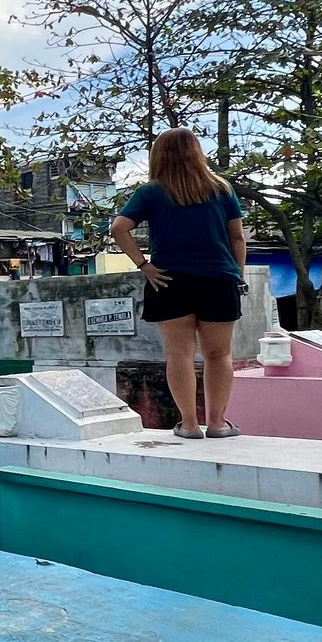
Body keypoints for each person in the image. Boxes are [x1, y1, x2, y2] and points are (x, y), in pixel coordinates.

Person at [109, 129, 248, 439]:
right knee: (219, 354)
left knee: (179, 354)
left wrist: (144, 265)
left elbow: (119, 228)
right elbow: (237, 237)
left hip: (169, 281)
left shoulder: (151, 192)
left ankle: (187, 424)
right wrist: (237, 274)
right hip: (218, 280)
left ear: (159, 155)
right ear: (197, 152)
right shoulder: (221, 189)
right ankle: (218, 423)